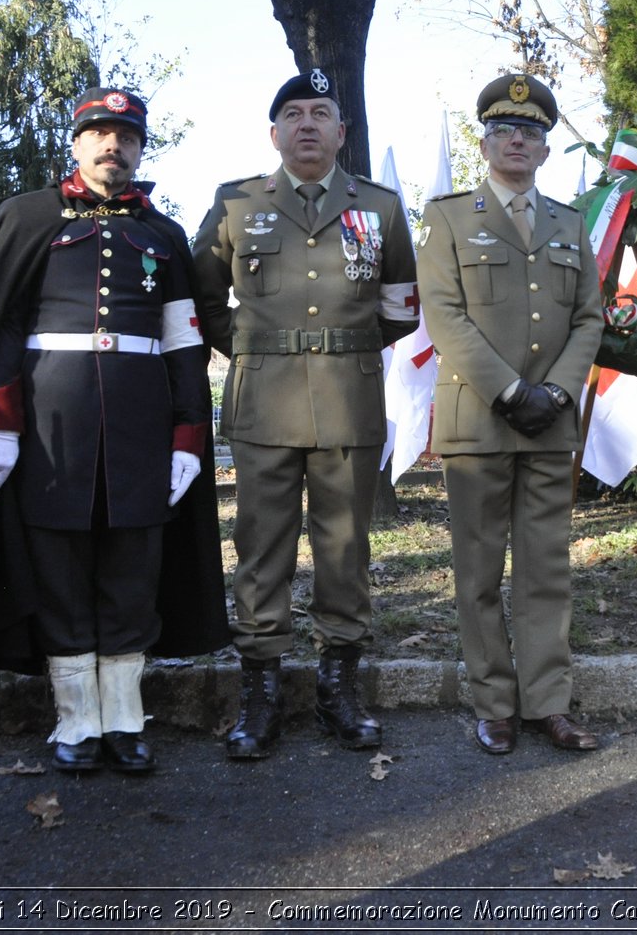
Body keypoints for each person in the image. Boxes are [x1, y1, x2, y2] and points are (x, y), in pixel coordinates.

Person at [0, 88, 227, 774]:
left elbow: (185, 342)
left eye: (126, 136)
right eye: (99, 133)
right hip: (49, 427)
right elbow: (3, 327)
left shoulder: (163, 233)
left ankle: (126, 718)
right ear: (75, 141)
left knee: (133, 568)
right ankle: (76, 720)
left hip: (139, 428)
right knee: (61, 570)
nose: (112, 146)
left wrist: (189, 433)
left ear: (140, 146)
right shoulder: (26, 216)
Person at [193, 68, 419, 760]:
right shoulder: (236, 204)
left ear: (342, 132)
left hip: (348, 402)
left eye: (322, 112)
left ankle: (336, 686)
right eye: (294, 114)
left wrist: (339, 349)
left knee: (344, 548)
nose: (308, 124)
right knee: (261, 549)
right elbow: (202, 298)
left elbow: (401, 305)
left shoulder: (378, 207)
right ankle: (259, 692)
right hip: (262, 402)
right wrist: (257, 350)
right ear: (275, 132)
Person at [417, 73, 603, 755]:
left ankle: (548, 703)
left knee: (546, 569)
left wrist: (555, 390)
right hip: (477, 420)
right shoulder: (447, 218)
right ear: (486, 142)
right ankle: (494, 701)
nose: (516, 139)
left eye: (529, 132)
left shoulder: (568, 222)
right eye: (503, 130)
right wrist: (509, 391)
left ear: (546, 150)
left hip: (550, 423)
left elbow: (589, 317)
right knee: (477, 571)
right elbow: (445, 315)